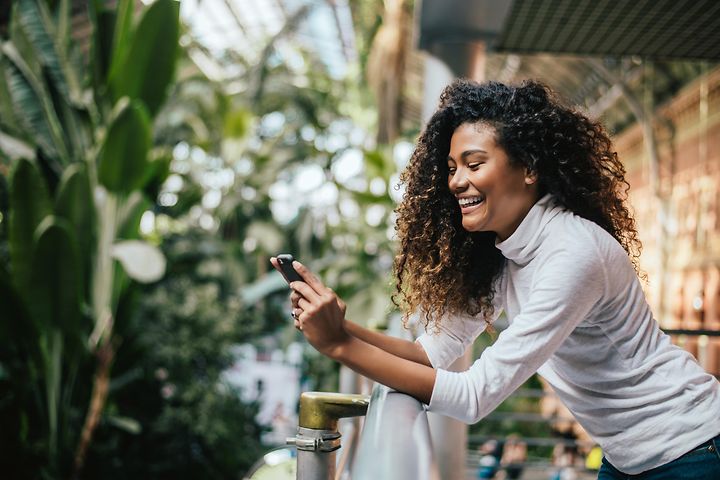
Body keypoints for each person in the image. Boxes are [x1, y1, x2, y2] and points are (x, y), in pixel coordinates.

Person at [269, 79, 720, 479]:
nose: (456, 182)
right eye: (451, 168)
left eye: (474, 163)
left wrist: (337, 347)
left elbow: (473, 396)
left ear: (528, 167)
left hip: (691, 448)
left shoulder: (572, 253)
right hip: (628, 457)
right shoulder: (507, 249)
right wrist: (341, 325)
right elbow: (431, 355)